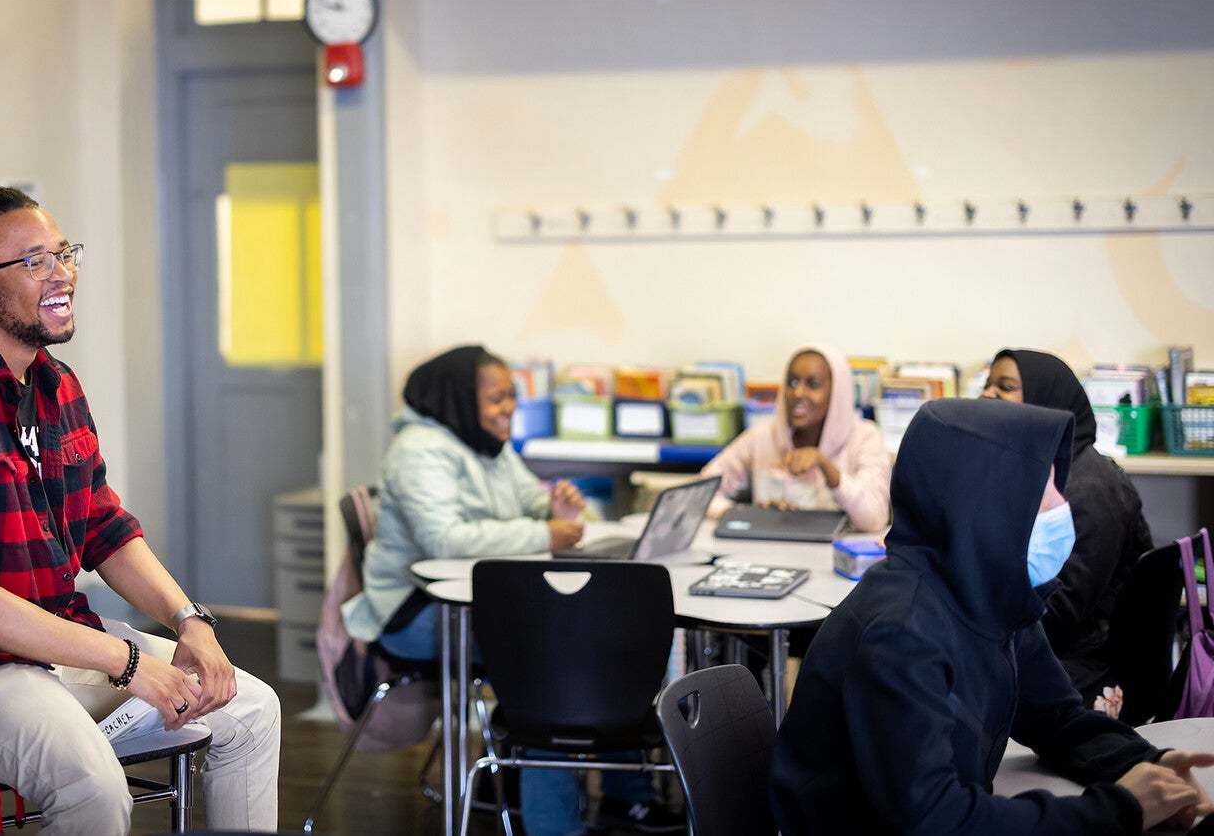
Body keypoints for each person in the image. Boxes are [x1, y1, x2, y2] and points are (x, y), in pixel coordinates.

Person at [0, 188, 280, 836]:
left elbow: (105, 529)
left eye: (63, 253)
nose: (63, 273)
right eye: (35, 261)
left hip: (44, 642)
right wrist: (127, 663)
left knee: (251, 710)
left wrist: (190, 620)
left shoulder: (56, 384)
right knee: (93, 787)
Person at [770, 397, 1213, 835]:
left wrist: (1145, 766)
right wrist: (1118, 810)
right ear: (984, 501)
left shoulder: (993, 594)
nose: (1061, 505)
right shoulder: (900, 631)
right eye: (1044, 489)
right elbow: (935, 821)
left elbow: (1060, 721)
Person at [341, 345, 684, 836]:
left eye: (511, 397)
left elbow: (529, 497)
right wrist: (545, 533)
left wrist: (556, 501)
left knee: (606, 640)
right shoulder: (418, 451)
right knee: (550, 658)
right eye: (497, 398)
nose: (509, 409)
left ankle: (623, 797)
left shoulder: (484, 442)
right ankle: (554, 826)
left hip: (477, 602)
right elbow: (445, 540)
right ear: (459, 399)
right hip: (415, 612)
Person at [981, 348, 1154, 701]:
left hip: (1081, 668)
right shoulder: (1040, 469)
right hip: (1052, 651)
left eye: (1006, 386)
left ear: (1049, 400)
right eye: (988, 384)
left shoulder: (1086, 489)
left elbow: (1057, 615)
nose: (988, 394)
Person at [702, 345, 891, 532]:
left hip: (836, 555)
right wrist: (747, 513)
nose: (798, 393)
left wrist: (826, 466)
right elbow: (700, 494)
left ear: (837, 392)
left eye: (813, 384)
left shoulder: (865, 436)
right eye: (792, 383)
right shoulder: (762, 437)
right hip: (771, 553)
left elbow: (873, 520)